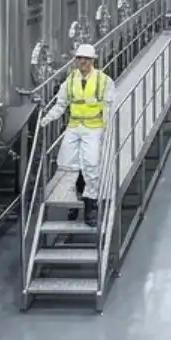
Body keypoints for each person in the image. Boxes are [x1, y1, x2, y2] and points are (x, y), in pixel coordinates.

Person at [37, 44, 116, 227]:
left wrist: (107, 129)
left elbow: (109, 107)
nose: (82, 62)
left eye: (86, 59)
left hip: (93, 128)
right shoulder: (70, 81)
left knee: (91, 165)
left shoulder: (103, 81)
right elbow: (61, 104)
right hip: (74, 126)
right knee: (66, 163)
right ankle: (77, 190)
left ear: (92, 61)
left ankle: (90, 206)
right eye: (79, 59)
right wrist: (46, 119)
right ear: (76, 61)